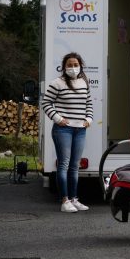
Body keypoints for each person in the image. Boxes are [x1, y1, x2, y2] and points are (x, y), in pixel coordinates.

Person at [42, 52, 93, 213]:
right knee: (63, 165)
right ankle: (64, 201)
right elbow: (46, 102)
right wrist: (58, 118)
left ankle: (74, 199)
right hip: (63, 130)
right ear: (64, 67)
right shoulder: (57, 83)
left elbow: (89, 103)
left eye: (75, 65)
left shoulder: (84, 82)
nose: (73, 68)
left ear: (80, 66)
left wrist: (89, 119)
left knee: (74, 167)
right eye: (69, 65)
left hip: (80, 130)